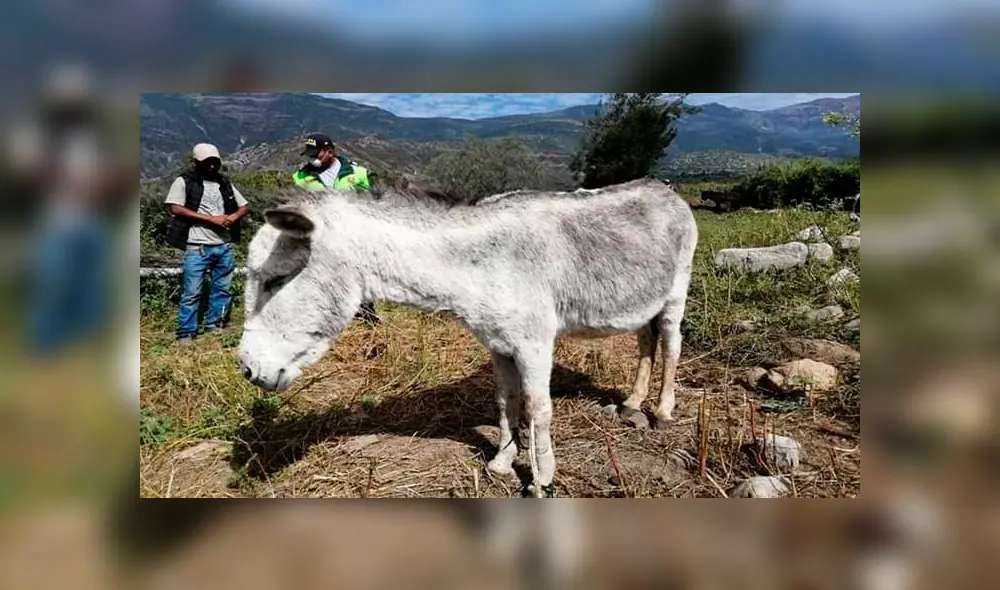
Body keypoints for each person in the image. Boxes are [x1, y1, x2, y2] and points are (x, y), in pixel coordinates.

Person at [164, 143, 250, 345]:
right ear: (197, 162)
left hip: (224, 245)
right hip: (198, 246)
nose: (212, 166)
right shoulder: (185, 181)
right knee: (192, 292)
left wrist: (233, 217)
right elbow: (175, 208)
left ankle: (215, 325)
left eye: (215, 162)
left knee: (223, 289)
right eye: (207, 162)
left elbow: (244, 206)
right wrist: (210, 219)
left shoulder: (224, 182)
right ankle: (186, 333)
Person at [291, 133, 381, 326]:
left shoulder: (358, 174)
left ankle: (367, 316)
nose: (312, 158)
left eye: (316, 154)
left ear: (330, 152)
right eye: (310, 155)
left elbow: (372, 202)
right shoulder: (301, 178)